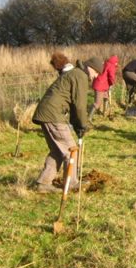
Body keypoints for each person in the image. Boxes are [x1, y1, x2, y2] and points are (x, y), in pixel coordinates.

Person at [32, 53, 100, 193]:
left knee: (57, 151)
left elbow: (75, 107)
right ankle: (72, 183)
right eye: (96, 72)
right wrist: (83, 124)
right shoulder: (80, 76)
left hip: (47, 113)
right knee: (71, 150)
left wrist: (78, 125)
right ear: (90, 67)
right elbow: (80, 105)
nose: (96, 76)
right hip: (53, 114)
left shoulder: (75, 73)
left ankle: (43, 183)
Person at [90, 55, 118, 121]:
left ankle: (104, 113)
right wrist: (112, 83)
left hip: (99, 83)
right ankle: (89, 118)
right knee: (97, 103)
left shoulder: (105, 63)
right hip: (101, 86)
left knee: (106, 97)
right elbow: (111, 76)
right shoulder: (111, 66)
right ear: (115, 62)